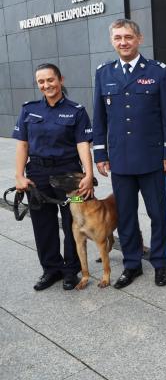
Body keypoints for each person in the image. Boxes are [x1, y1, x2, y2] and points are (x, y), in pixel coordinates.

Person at [93, 19, 166, 289]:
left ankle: (160, 263)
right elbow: (99, 118)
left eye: (128, 37)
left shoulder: (157, 72)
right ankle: (132, 264)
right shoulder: (103, 74)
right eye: (118, 37)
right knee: (127, 215)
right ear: (112, 41)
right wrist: (100, 154)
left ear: (139, 38)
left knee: (157, 213)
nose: (123, 42)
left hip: (153, 159)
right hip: (120, 161)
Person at [12, 63, 94, 291]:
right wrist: (19, 175)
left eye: (50, 80)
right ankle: (51, 269)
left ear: (61, 80)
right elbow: (22, 145)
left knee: (74, 222)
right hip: (37, 174)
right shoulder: (28, 110)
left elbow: (82, 144)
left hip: (70, 176)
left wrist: (88, 175)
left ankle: (71, 270)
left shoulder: (76, 111)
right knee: (42, 224)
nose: (46, 85)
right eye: (41, 81)